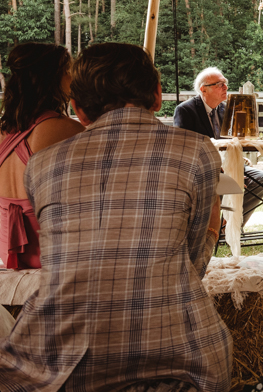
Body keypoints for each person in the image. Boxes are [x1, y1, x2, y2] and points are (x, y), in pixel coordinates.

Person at [0, 43, 231, 391]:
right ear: (157, 95)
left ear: (78, 108)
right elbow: (193, 266)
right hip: (179, 361)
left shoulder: (42, 165)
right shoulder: (198, 152)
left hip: (57, 363)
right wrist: (213, 226)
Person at [0, 43, 83, 269]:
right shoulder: (65, 129)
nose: (72, 78)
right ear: (51, 78)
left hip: (9, 249)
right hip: (50, 250)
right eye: (67, 72)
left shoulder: (2, 131)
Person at [174, 67, 263, 226]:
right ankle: (212, 228)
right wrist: (221, 172)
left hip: (228, 165)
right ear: (203, 89)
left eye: (225, 83)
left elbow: (231, 141)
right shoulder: (185, 110)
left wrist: (235, 163)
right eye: (220, 84)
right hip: (202, 171)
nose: (225, 87)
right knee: (223, 184)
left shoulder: (225, 108)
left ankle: (229, 226)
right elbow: (184, 150)